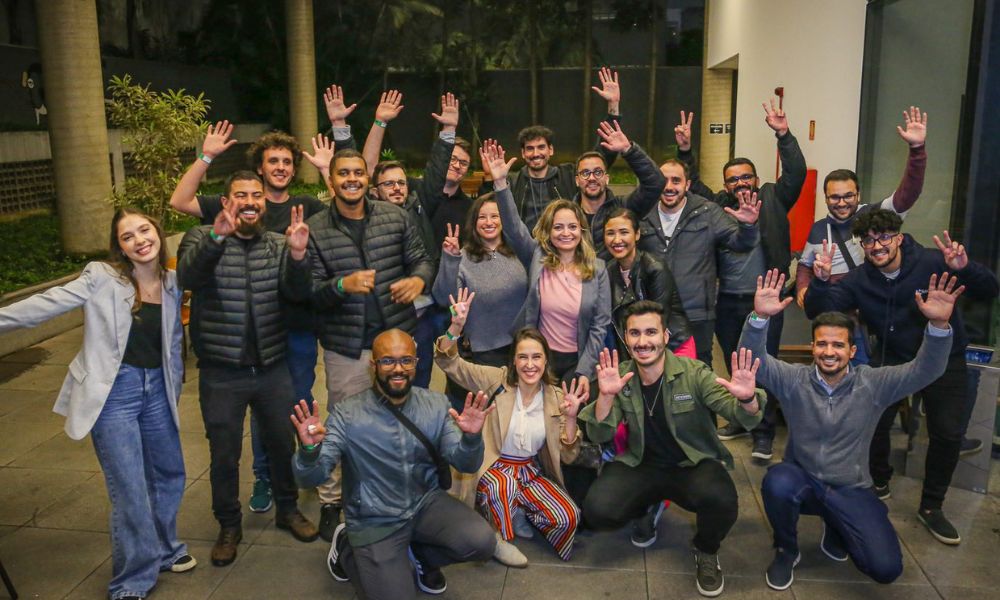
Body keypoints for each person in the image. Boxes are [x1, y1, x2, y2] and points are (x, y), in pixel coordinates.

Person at [0, 208, 193, 600]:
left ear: (157, 232)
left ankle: (164, 548)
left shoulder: (172, 281)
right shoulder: (102, 277)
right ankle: (132, 580)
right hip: (114, 392)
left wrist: (172, 389)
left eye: (145, 230)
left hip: (157, 388)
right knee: (130, 488)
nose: (140, 240)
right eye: (128, 237)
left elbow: (173, 343)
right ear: (119, 247)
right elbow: (46, 302)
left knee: (169, 473)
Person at [743, 269, 961, 589]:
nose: (829, 352)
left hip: (851, 487)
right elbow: (752, 359)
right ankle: (786, 550)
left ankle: (837, 528)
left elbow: (925, 370)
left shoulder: (873, 384)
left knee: (884, 568)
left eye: (838, 345)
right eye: (822, 344)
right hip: (803, 480)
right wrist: (759, 318)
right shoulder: (794, 381)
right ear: (812, 347)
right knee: (777, 481)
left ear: (852, 351)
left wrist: (939, 326)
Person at [168, 121, 338, 513]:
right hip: (229, 346)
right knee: (233, 440)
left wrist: (328, 168)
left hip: (288, 332)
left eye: (286, 161)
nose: (279, 166)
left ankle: (292, 482)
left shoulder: (304, 209)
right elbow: (181, 203)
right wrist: (206, 156)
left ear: (294, 169)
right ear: (257, 169)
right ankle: (261, 481)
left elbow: (340, 208)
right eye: (271, 160)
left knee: (288, 413)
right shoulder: (223, 213)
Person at [803, 209, 999, 545]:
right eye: (868, 240)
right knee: (873, 421)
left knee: (948, 433)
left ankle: (931, 506)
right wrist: (820, 282)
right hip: (893, 357)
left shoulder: (933, 262)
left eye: (882, 237)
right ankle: (879, 478)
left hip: (943, 357)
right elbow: (819, 310)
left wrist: (965, 268)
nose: (876, 245)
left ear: (898, 237)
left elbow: (990, 289)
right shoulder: (860, 278)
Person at [290, 329, 499, 600]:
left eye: (406, 361)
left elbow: (465, 464)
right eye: (388, 361)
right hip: (375, 518)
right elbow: (310, 478)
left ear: (416, 363)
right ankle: (346, 548)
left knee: (482, 542)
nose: (398, 369)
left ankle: (422, 557)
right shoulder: (347, 413)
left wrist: (471, 438)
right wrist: (308, 451)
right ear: (373, 366)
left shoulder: (436, 404)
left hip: (424, 504)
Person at [177, 171, 318, 566]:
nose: (251, 201)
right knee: (224, 454)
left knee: (280, 443)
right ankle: (228, 525)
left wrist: (297, 256)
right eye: (241, 195)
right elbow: (187, 277)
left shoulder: (277, 243)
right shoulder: (201, 237)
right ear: (226, 201)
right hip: (222, 372)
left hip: (273, 365)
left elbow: (297, 293)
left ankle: (287, 510)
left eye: (257, 195)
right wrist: (216, 239)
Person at [578, 301, 765, 598]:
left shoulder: (694, 372)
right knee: (599, 510)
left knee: (722, 500)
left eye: (651, 332)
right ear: (626, 339)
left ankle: (705, 550)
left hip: (690, 465)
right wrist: (605, 397)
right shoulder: (621, 377)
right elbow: (600, 432)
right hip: (641, 465)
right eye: (635, 333)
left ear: (665, 336)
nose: (643, 341)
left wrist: (746, 399)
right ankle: (646, 508)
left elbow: (742, 415)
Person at [307, 148, 435, 541]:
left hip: (396, 341)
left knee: (397, 423)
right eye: (343, 173)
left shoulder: (395, 217)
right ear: (331, 181)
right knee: (342, 424)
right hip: (347, 347)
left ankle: (398, 497)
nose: (351, 179)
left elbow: (422, 260)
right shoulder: (314, 228)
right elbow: (308, 292)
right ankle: (332, 501)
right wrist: (340, 286)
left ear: (367, 179)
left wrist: (419, 281)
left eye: (358, 172)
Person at [675, 103, 807, 461]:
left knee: (761, 364)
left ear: (755, 176)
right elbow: (691, 185)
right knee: (736, 364)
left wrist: (783, 134)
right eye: (733, 179)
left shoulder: (773, 198)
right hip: (728, 300)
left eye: (745, 176)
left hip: (765, 299)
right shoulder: (718, 205)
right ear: (726, 184)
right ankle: (739, 420)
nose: (740, 183)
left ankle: (763, 434)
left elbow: (796, 173)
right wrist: (685, 150)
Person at [434, 289, 584, 564]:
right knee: (502, 488)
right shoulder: (497, 380)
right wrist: (456, 326)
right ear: (513, 360)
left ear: (546, 360)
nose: (529, 364)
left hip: (529, 470)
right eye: (523, 357)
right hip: (495, 466)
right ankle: (498, 538)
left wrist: (571, 419)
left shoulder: (556, 398)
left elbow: (569, 456)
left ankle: (518, 511)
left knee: (568, 516)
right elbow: (448, 362)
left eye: (536, 357)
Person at [482, 139, 611, 386]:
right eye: (558, 227)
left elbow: (599, 325)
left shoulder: (598, 269)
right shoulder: (537, 258)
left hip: (578, 362)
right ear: (548, 231)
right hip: (539, 360)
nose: (566, 233)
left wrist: (584, 371)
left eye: (572, 227)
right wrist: (500, 184)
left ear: (581, 230)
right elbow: (513, 227)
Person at [796, 106, 929, 304]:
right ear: (825, 198)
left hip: (873, 302)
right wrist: (803, 288)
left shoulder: (875, 215)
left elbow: (909, 193)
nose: (842, 203)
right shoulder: (817, 229)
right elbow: (805, 265)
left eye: (849, 196)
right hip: (836, 305)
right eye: (834, 197)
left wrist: (917, 151)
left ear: (859, 195)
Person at [637, 159, 762, 367]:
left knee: (698, 373)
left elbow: (739, 243)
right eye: (663, 180)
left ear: (687, 185)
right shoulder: (642, 212)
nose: (669, 187)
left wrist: (748, 226)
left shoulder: (708, 212)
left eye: (676, 181)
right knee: (652, 370)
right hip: (652, 312)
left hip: (697, 314)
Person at [478, 66, 623, 231]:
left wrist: (613, 107)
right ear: (523, 154)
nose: (536, 153)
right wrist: (490, 177)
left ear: (551, 150)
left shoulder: (568, 175)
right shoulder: (512, 181)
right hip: (523, 251)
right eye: (530, 149)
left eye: (541, 147)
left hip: (564, 244)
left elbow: (601, 155)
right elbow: (488, 208)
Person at [431, 195, 529, 376]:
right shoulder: (462, 257)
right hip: (482, 353)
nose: (489, 222)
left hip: (522, 347)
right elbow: (443, 298)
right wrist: (450, 259)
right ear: (474, 222)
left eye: (495, 216)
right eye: (482, 217)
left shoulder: (519, 251)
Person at [603, 206, 694, 359]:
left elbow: (658, 319)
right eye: (610, 233)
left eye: (624, 232)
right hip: (637, 349)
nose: (617, 240)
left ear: (637, 234)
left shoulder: (654, 268)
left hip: (672, 346)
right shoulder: (608, 270)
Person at [572, 119, 666, 259]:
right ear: (577, 180)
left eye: (598, 172)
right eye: (585, 173)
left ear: (607, 178)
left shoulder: (624, 208)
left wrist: (629, 150)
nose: (592, 178)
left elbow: (655, 183)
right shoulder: (567, 214)